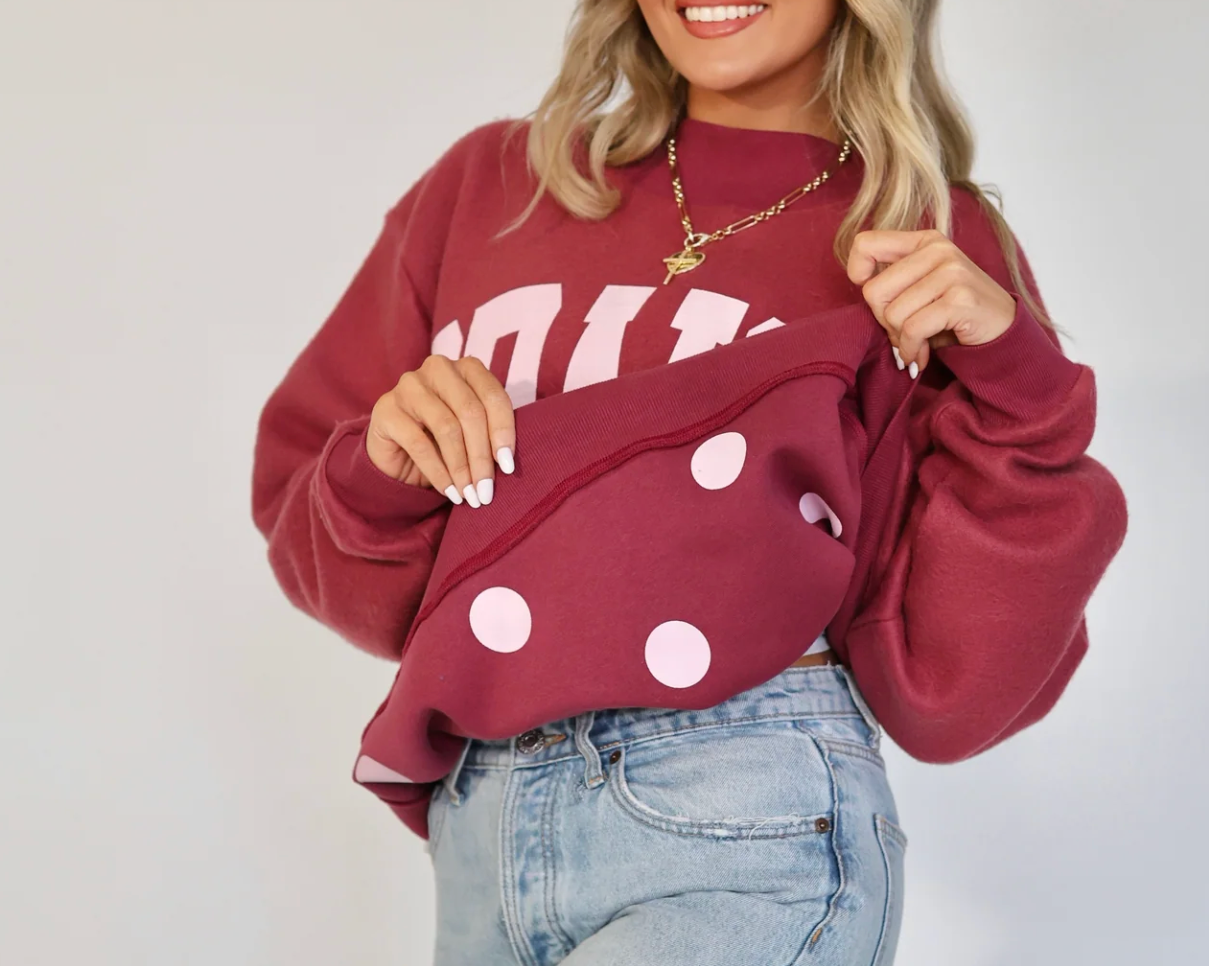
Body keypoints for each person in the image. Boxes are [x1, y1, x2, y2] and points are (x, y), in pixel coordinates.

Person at [251, 2, 1128, 963]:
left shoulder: (923, 242)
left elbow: (953, 693)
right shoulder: (491, 188)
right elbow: (317, 533)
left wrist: (1020, 383)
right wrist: (383, 469)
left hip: (745, 817)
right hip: (483, 830)